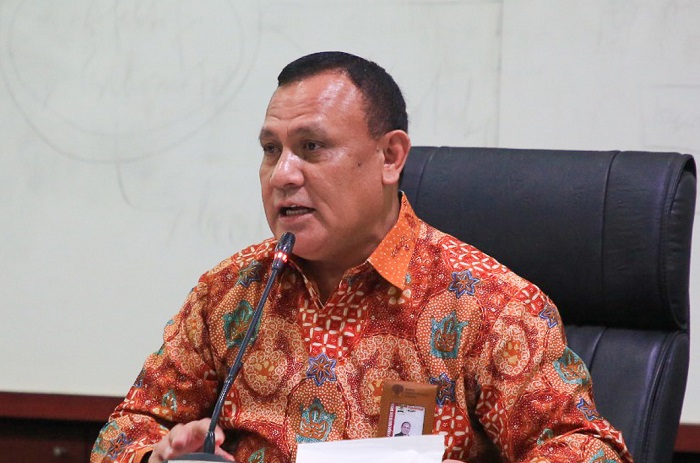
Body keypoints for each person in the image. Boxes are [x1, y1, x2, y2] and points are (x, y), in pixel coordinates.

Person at [91, 51, 633, 463]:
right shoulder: (231, 292)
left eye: (312, 147)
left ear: (390, 157)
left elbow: (590, 451)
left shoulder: (488, 305)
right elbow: (122, 432)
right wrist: (156, 455)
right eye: (271, 149)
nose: (283, 175)